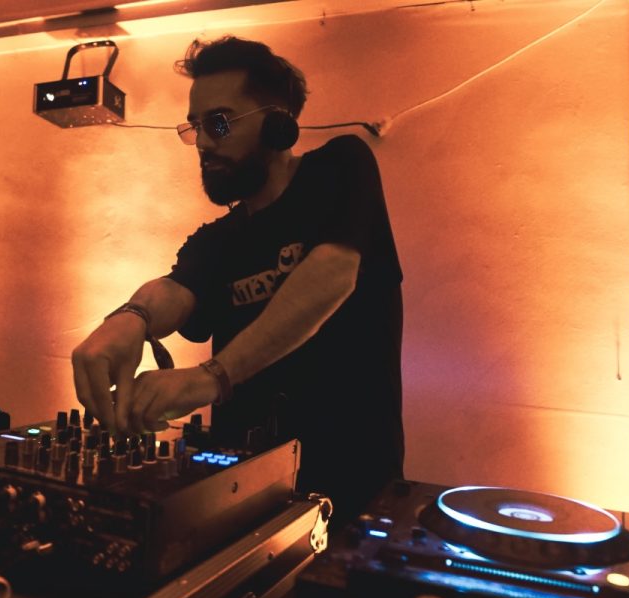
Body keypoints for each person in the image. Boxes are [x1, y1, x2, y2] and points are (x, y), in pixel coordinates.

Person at [72, 36, 404, 522]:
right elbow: (175, 290)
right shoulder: (218, 239)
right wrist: (131, 318)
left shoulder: (340, 167)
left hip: (354, 491)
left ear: (276, 124)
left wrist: (213, 376)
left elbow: (333, 272)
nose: (204, 142)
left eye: (220, 123)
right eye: (196, 126)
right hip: (245, 495)